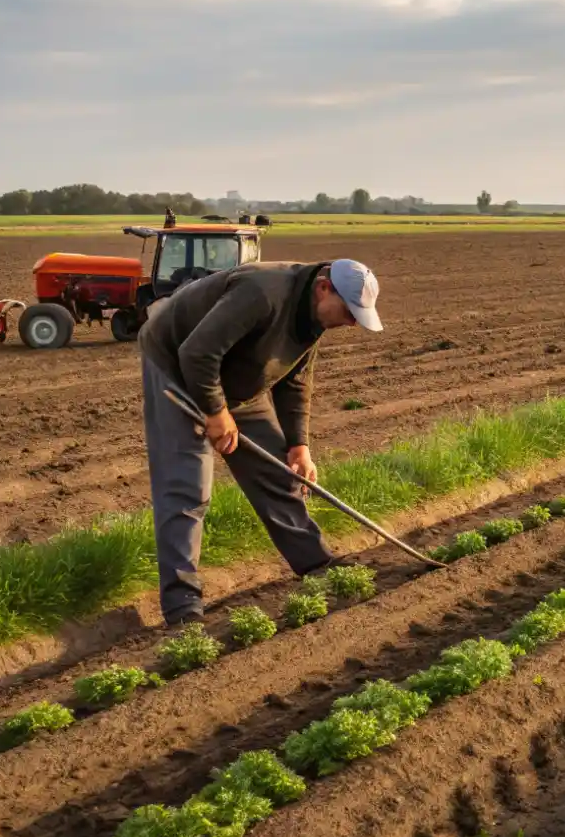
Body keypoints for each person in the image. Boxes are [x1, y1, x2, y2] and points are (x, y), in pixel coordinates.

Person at [138, 257, 384, 625]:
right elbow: (196, 353)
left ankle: (316, 565)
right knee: (186, 489)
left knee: (279, 470)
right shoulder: (262, 292)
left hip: (240, 381)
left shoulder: (314, 317)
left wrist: (298, 444)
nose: (351, 323)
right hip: (177, 368)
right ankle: (182, 607)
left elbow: (295, 382)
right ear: (324, 288)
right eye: (349, 312)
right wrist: (216, 412)